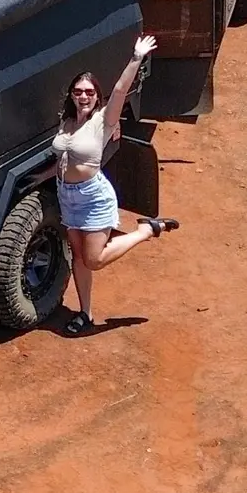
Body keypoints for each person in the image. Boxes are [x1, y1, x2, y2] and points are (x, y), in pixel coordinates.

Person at [46, 36, 178, 336]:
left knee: (94, 259)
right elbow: (63, 157)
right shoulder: (66, 123)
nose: (83, 96)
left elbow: (120, 90)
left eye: (89, 92)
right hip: (67, 197)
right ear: (71, 95)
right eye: (78, 91)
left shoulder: (103, 121)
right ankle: (85, 313)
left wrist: (136, 57)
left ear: (96, 96)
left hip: (93, 197)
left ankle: (145, 231)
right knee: (79, 257)